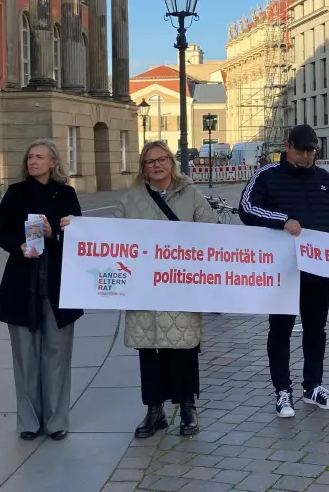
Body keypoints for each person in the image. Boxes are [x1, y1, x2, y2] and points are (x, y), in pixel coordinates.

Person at [239, 124, 329, 418]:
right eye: (301, 150)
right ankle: (282, 390)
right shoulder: (267, 176)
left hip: (318, 270)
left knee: (316, 329)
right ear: (287, 146)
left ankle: (313, 386)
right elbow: (246, 208)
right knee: (281, 330)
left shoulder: (325, 179)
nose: (306, 156)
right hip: (283, 270)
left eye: (311, 151)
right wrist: (283, 219)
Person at [114, 140, 216, 438]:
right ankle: (154, 410)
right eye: (150, 161)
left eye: (162, 160)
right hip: (145, 285)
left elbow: (210, 233)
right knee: (150, 351)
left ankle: (187, 407)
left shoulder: (191, 194)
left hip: (181, 284)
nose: (156, 165)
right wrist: (79, 229)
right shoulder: (132, 198)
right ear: (143, 168)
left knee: (184, 348)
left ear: (172, 162)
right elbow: (112, 232)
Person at [0, 138, 84, 441]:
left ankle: (57, 421)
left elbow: (80, 236)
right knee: (25, 358)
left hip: (59, 287)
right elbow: (1, 233)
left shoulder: (66, 194)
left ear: (53, 162)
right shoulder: (16, 193)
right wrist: (18, 245)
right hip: (22, 286)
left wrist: (54, 233)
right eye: (30, 156)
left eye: (39, 157)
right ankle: (29, 422)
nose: (33, 161)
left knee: (56, 356)